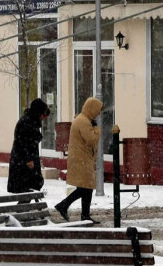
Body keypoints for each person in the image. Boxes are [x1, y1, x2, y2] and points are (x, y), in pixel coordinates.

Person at [55, 96, 103, 224]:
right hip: (81, 159)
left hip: (82, 158)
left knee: (86, 186)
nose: (98, 114)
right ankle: (65, 206)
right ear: (91, 109)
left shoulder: (84, 120)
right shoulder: (83, 121)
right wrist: (97, 130)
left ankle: (82, 214)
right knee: (86, 187)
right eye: (97, 111)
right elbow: (91, 139)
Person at [8, 98, 50, 195]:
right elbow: (24, 143)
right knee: (27, 186)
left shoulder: (32, 121)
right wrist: (28, 159)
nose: (43, 118)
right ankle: (22, 207)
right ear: (38, 112)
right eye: (43, 115)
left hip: (26, 158)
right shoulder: (27, 122)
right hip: (23, 160)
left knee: (32, 185)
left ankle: (23, 206)